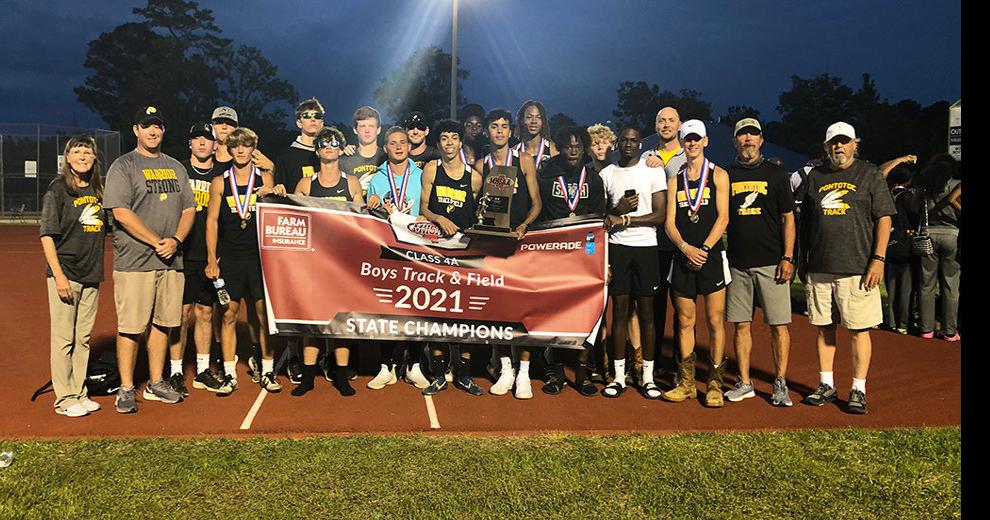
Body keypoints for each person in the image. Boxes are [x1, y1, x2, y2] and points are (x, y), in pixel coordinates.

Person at [799, 122, 895, 415]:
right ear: (826, 147)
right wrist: (803, 260)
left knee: (857, 330)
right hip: (821, 266)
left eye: (844, 142)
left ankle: (858, 388)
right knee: (823, 328)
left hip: (857, 267)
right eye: (833, 143)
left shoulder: (870, 174)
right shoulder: (816, 176)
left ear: (855, 144)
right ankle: (826, 384)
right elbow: (807, 222)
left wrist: (877, 259)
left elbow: (884, 219)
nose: (838, 147)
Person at [104, 106, 196, 413]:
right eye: (147, 126)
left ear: (163, 130)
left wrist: (177, 240)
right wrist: (157, 241)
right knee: (131, 326)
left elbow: (188, 209)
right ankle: (127, 388)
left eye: (157, 126)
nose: (152, 131)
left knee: (163, 324)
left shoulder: (175, 167)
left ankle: (156, 382)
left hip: (171, 260)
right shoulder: (123, 165)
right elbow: (120, 211)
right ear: (136, 130)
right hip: (135, 260)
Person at [205, 127, 288, 394]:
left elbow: (277, 212)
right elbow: (212, 222)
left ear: (254, 148)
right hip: (230, 258)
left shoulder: (264, 179)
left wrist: (277, 189)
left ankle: (267, 370)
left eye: (246, 145)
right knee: (228, 313)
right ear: (229, 149)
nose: (241, 150)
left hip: (259, 259)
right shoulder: (220, 181)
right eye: (236, 145)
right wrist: (211, 259)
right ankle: (229, 374)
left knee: (263, 315)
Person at [721, 118, 796, 407]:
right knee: (741, 325)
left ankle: (780, 382)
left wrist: (787, 257)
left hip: (771, 263)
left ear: (761, 140)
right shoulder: (726, 175)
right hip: (738, 263)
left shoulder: (776, 174)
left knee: (778, 325)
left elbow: (788, 218)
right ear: (735, 141)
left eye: (753, 135)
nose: (748, 140)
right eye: (742, 135)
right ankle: (744, 381)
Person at [661, 120, 731, 408]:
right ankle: (686, 382)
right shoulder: (675, 179)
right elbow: (669, 223)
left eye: (696, 139)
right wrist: (685, 248)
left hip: (711, 256)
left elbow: (723, 218)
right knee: (685, 321)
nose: (691, 144)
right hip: (683, 256)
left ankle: (714, 383)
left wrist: (703, 248)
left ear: (705, 141)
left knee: (715, 321)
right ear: (682, 141)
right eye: (687, 139)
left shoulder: (718, 175)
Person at [475, 108, 542, 399]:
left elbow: (537, 203)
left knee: (522, 310)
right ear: (487, 131)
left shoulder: (524, 160)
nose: (500, 131)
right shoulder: (481, 165)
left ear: (510, 131)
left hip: (520, 243)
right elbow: (476, 207)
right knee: (496, 310)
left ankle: (524, 373)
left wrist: (525, 225)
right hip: (493, 245)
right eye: (494, 126)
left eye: (504, 126)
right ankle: (505, 369)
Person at [292, 126, 363, 396]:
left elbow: (364, 222)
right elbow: (292, 217)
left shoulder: (352, 183)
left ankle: (341, 377)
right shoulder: (306, 184)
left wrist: (374, 203)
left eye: (334, 143)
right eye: (324, 143)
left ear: (341, 148)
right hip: (314, 261)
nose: (329, 146)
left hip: (344, 263)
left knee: (341, 321)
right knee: (313, 321)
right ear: (317, 149)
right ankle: (308, 378)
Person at [536, 126, 607, 396]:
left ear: (585, 148)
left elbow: (600, 220)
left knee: (586, 312)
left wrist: (603, 262)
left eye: (578, 146)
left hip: (585, 256)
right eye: (568, 146)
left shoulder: (594, 178)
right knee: (554, 312)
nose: (573, 150)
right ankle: (553, 369)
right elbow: (539, 213)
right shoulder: (547, 175)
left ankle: (581, 369)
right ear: (560, 148)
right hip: (554, 255)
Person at [40, 135, 108, 417]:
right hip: (66, 274)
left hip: (91, 275)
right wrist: (59, 276)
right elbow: (47, 235)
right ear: (67, 158)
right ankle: (64, 398)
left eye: (87, 152)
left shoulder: (98, 189)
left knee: (83, 338)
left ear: (94, 158)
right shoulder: (58, 190)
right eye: (77, 152)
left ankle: (80, 392)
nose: (82, 156)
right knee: (63, 338)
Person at [598, 125, 667, 399]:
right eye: (624, 140)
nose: (628, 145)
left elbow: (660, 215)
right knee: (620, 313)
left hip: (646, 247)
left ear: (641, 144)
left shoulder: (653, 170)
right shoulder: (607, 174)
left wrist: (626, 219)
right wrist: (618, 210)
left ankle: (648, 378)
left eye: (633, 140)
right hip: (617, 248)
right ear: (618, 144)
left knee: (647, 313)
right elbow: (603, 218)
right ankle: (618, 377)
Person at [166, 122, 233, 397]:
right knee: (180, 314)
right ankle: (176, 371)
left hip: (209, 256)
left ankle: (203, 369)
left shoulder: (222, 174)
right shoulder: (177, 170)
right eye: (197, 139)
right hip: (182, 253)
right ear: (190, 144)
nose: (203, 143)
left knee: (205, 312)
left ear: (216, 145)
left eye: (208, 139)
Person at [419, 119, 485, 396]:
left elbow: (478, 212)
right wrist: (439, 218)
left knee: (466, 313)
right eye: (444, 138)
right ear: (439, 143)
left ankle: (465, 374)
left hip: (466, 251)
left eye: (453, 138)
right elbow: (424, 207)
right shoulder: (431, 169)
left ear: (461, 142)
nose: (448, 143)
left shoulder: (475, 176)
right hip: (436, 248)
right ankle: (438, 372)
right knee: (437, 312)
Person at [364, 126, 426, 390]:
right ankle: (385, 366)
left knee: (418, 307)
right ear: (385, 147)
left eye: (403, 142)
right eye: (393, 143)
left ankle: (414, 365)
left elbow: (428, 209)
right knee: (386, 308)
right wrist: (375, 205)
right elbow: (369, 213)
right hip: (388, 249)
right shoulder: (376, 178)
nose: (399, 147)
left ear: (409, 147)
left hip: (417, 249)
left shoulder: (422, 175)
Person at [272, 98, 327, 386]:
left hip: (329, 243)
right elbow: (276, 194)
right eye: (308, 116)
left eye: (318, 116)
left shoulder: (330, 153)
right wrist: (278, 189)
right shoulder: (286, 157)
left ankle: (327, 355)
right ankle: (294, 355)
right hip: (298, 240)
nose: (313, 121)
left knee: (328, 299)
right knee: (297, 301)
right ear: (298, 122)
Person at [642, 107, 686, 380]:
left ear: (679, 125)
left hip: (681, 243)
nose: (666, 124)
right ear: (655, 125)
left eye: (671, 120)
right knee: (653, 308)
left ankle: (682, 365)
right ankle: (653, 361)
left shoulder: (691, 154)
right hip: (653, 243)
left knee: (683, 309)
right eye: (661, 120)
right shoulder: (646, 157)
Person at [913, 154, 961, 341]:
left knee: (926, 284)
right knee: (951, 284)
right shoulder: (956, 184)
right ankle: (950, 330)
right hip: (952, 235)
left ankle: (926, 329)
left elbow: (914, 207)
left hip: (928, 235)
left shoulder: (925, 187)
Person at [882, 166, 916, 335]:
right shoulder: (907, 197)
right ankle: (903, 322)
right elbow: (914, 216)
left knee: (891, 285)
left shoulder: (887, 195)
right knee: (905, 285)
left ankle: (891, 320)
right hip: (904, 243)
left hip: (888, 242)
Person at [340, 106, 388, 196]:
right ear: (355, 130)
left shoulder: (387, 158)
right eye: (362, 126)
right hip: (354, 208)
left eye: (371, 126)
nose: (367, 130)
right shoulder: (344, 160)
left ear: (378, 130)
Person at [515, 100, 558, 171]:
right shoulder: (514, 152)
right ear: (522, 120)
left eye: (539, 117)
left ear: (543, 121)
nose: (534, 121)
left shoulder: (554, 151)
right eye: (529, 117)